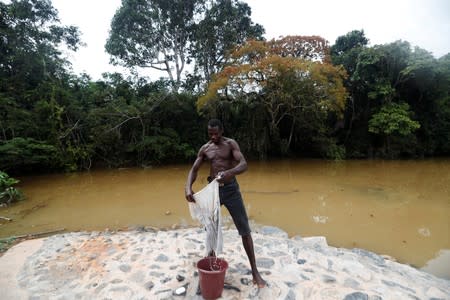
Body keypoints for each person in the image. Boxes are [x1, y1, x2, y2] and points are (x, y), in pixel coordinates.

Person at [185, 119, 266, 288]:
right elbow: (194, 169)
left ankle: (255, 271)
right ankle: (212, 260)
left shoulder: (230, 144)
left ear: (222, 131)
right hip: (214, 190)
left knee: (244, 229)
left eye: (216, 133)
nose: (213, 136)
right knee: (211, 226)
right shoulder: (205, 148)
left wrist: (230, 173)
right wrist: (188, 188)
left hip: (231, 190)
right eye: (210, 134)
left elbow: (243, 164)